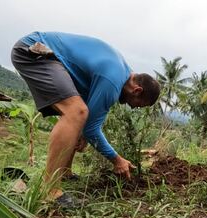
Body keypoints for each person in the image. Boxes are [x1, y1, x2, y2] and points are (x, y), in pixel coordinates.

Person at [11, 32, 160, 207]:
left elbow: (88, 122)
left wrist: (83, 134)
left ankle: (65, 172)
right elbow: (90, 128)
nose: (133, 107)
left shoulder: (119, 72)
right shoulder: (113, 80)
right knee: (76, 112)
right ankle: (50, 190)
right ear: (137, 91)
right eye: (138, 104)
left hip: (48, 55)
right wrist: (116, 159)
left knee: (79, 114)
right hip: (35, 51)